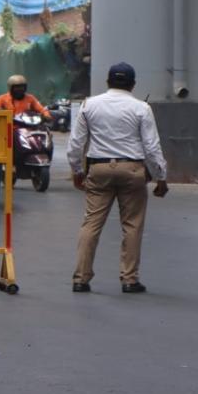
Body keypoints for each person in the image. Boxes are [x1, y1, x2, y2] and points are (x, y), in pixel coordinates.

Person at [68, 62, 168, 294]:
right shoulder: (141, 108)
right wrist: (161, 176)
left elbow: (76, 144)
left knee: (91, 223)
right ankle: (129, 279)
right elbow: (152, 147)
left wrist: (77, 171)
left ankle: (81, 279)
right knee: (132, 225)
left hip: (99, 169)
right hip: (132, 170)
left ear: (107, 82)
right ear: (132, 85)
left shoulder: (89, 105)